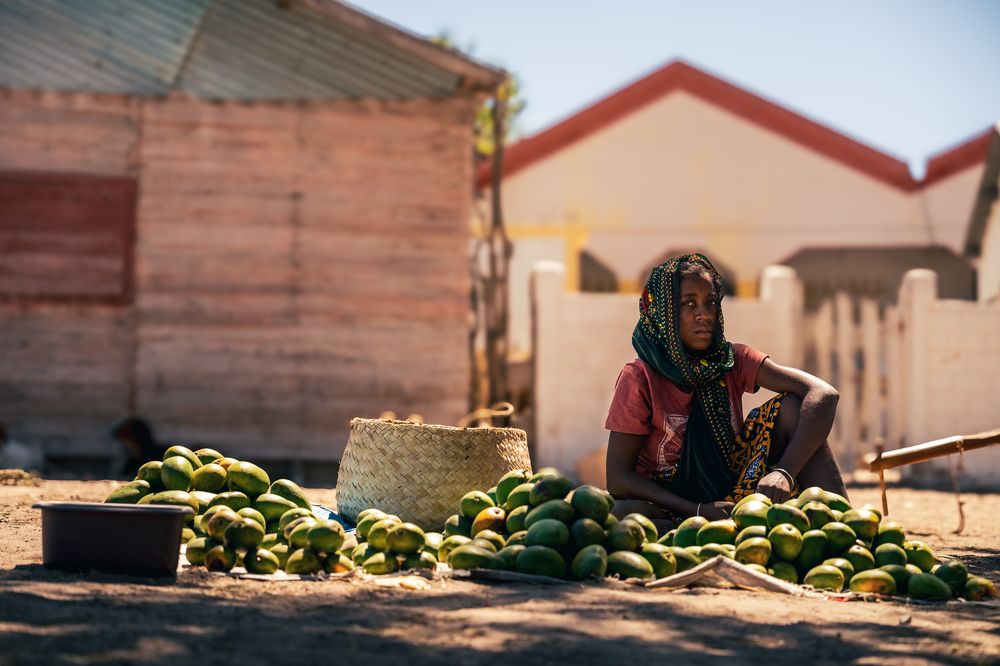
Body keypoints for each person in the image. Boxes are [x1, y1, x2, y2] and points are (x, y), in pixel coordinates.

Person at [604, 254, 847, 531]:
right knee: (619, 514)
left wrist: (784, 472)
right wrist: (698, 510)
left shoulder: (733, 360)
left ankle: (845, 528)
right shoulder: (639, 378)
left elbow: (823, 394)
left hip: (732, 492)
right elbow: (618, 477)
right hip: (669, 502)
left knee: (793, 409)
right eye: (688, 304)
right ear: (662, 312)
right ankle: (708, 530)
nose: (704, 314)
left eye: (710, 302)